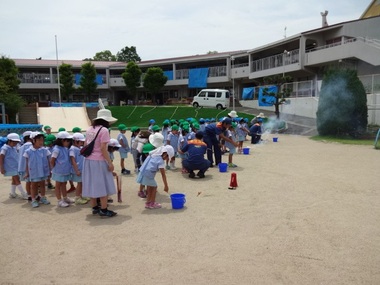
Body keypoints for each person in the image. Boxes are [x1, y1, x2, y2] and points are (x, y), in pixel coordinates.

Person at [82, 108, 118, 218]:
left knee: (92, 183)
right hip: (99, 160)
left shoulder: (89, 129)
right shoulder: (104, 130)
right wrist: (110, 163)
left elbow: (85, 144)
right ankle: (104, 209)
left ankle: (94, 207)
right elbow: (103, 148)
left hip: (88, 160)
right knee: (102, 184)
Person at [136, 134, 174, 209]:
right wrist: (166, 185)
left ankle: (148, 202)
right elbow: (163, 175)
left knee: (150, 187)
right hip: (147, 174)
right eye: (167, 157)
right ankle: (152, 203)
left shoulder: (154, 154)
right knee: (154, 186)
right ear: (165, 154)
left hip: (143, 172)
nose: (166, 159)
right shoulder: (160, 161)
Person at [24, 132, 51, 208]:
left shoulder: (45, 150)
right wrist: (27, 172)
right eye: (39, 140)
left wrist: (50, 170)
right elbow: (26, 163)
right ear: (33, 140)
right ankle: (33, 199)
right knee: (33, 185)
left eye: (42, 140)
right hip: (34, 171)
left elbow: (49, 161)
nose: (41, 142)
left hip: (43, 171)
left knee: (42, 184)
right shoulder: (28, 151)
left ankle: (43, 197)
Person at [0, 133, 28, 199]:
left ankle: (12, 193)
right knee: (17, 180)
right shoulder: (5, 148)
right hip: (10, 167)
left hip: (15, 166)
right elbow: (1, 157)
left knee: (14, 180)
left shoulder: (13, 147)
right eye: (14, 142)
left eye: (16, 142)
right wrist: (1, 168)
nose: (15, 143)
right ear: (9, 141)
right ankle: (23, 193)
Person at [51, 131, 75, 207]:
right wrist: (55, 168)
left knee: (64, 184)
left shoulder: (65, 148)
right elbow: (52, 160)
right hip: (59, 171)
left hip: (65, 170)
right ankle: (59, 200)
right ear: (62, 140)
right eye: (67, 141)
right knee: (58, 185)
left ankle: (65, 198)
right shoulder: (56, 149)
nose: (68, 142)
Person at [69, 133, 88, 205]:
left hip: (82, 169)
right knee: (79, 183)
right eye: (80, 142)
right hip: (78, 169)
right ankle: (77, 197)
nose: (82, 143)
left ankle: (81, 195)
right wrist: (76, 170)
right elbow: (72, 160)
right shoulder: (72, 149)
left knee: (82, 183)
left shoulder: (79, 148)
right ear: (75, 141)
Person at [18, 131, 33, 200]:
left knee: (28, 182)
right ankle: (34, 195)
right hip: (32, 167)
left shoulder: (21, 147)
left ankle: (29, 195)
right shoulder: (32, 146)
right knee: (33, 182)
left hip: (24, 167)